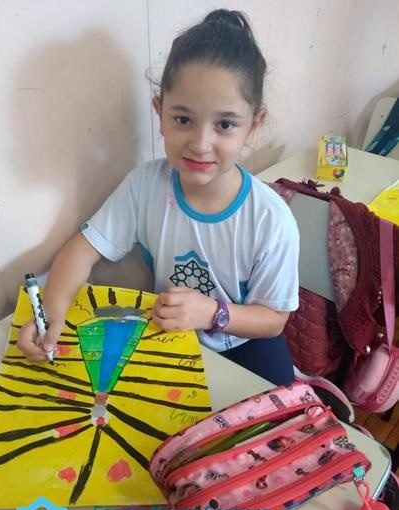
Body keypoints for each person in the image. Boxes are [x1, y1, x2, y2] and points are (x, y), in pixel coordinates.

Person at [18, 8, 299, 385]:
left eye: (225, 124)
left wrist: (212, 313)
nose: (200, 143)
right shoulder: (145, 185)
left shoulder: (270, 219)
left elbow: (274, 319)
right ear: (160, 112)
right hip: (169, 339)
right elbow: (81, 251)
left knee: (285, 418)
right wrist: (52, 311)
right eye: (183, 120)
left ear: (253, 125)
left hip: (245, 344)